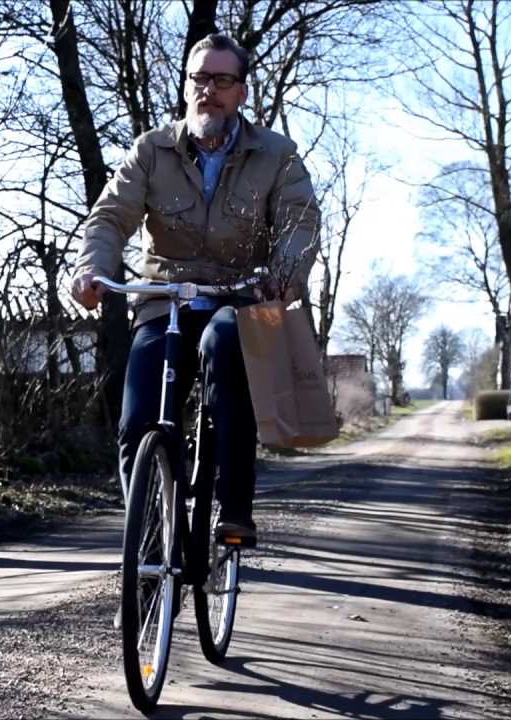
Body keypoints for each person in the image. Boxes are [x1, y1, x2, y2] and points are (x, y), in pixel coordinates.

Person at [70, 33, 320, 545]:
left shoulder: (277, 156)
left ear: (241, 92)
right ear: (186, 86)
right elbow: (110, 217)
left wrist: (285, 274)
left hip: (242, 299)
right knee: (137, 421)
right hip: (165, 303)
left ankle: (234, 507)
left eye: (222, 80)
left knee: (224, 344)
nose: (209, 90)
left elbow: (299, 224)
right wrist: (92, 268)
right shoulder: (151, 151)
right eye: (199, 78)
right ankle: (151, 553)